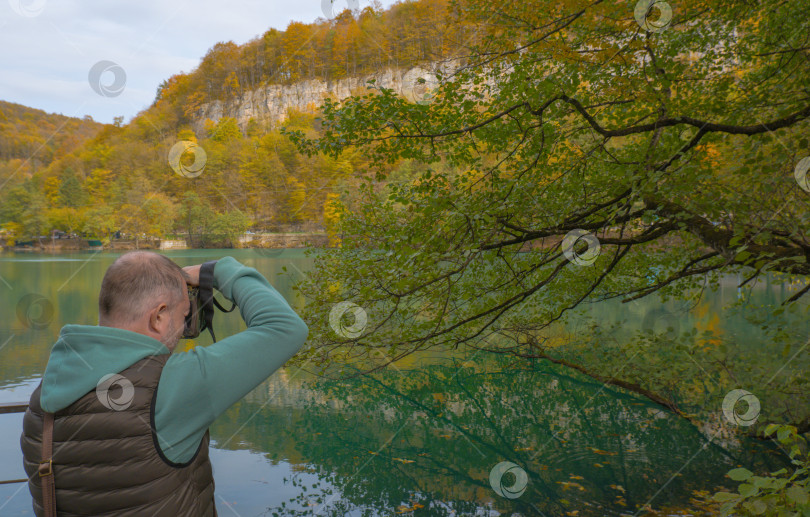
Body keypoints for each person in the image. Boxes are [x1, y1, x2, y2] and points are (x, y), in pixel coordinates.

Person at [19, 252, 309, 516]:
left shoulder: (43, 397)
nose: (185, 329)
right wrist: (221, 270)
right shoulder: (171, 385)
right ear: (158, 316)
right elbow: (284, 328)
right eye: (184, 316)